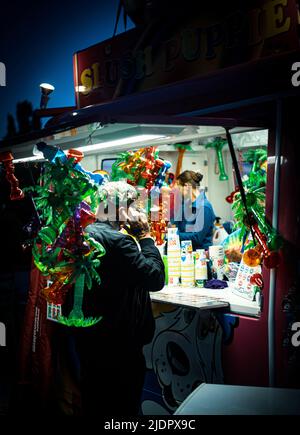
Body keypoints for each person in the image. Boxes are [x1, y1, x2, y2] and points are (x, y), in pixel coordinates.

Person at [65, 181, 165, 416]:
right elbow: (155, 278)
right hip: (120, 347)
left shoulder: (84, 234)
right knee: (122, 407)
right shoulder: (120, 242)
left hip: (89, 339)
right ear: (120, 209)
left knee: (94, 401)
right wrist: (146, 237)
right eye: (131, 206)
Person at [172, 170, 216, 250]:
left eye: (179, 188)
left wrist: (173, 236)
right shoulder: (186, 204)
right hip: (186, 253)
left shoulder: (205, 207)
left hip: (200, 257)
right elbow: (177, 225)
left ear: (186, 186)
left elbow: (197, 238)